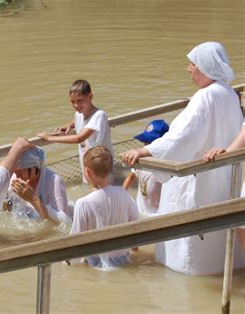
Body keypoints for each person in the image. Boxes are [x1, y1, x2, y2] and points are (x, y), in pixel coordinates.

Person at [122, 42, 245, 275]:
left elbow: (182, 136)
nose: (189, 69)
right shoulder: (229, 93)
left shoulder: (205, 96)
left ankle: (190, 275)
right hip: (226, 176)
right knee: (222, 230)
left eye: (193, 63)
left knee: (190, 242)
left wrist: (147, 151)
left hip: (199, 176)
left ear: (206, 67)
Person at [69, 146, 138, 268]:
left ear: (87, 172)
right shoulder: (123, 193)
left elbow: (75, 242)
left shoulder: (83, 203)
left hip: (95, 264)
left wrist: (67, 263)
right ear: (110, 170)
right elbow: (135, 226)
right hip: (124, 260)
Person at [37, 79, 114, 184]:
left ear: (90, 97)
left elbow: (79, 138)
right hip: (87, 164)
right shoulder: (79, 114)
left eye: (80, 100)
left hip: (102, 167)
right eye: (72, 102)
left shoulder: (100, 115)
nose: (76, 105)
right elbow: (82, 122)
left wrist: (50, 138)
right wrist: (68, 125)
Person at [4, 146, 72, 223]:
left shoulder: (54, 181)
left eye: (20, 171)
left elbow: (65, 222)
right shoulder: (15, 178)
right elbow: (10, 210)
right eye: (15, 171)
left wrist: (33, 199)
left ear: (35, 168)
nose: (17, 175)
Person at [123, 119, 169, 217]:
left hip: (158, 214)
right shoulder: (141, 160)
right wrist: (122, 193)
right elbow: (132, 176)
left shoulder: (166, 166)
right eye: (145, 143)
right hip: (141, 210)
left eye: (150, 144)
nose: (146, 147)